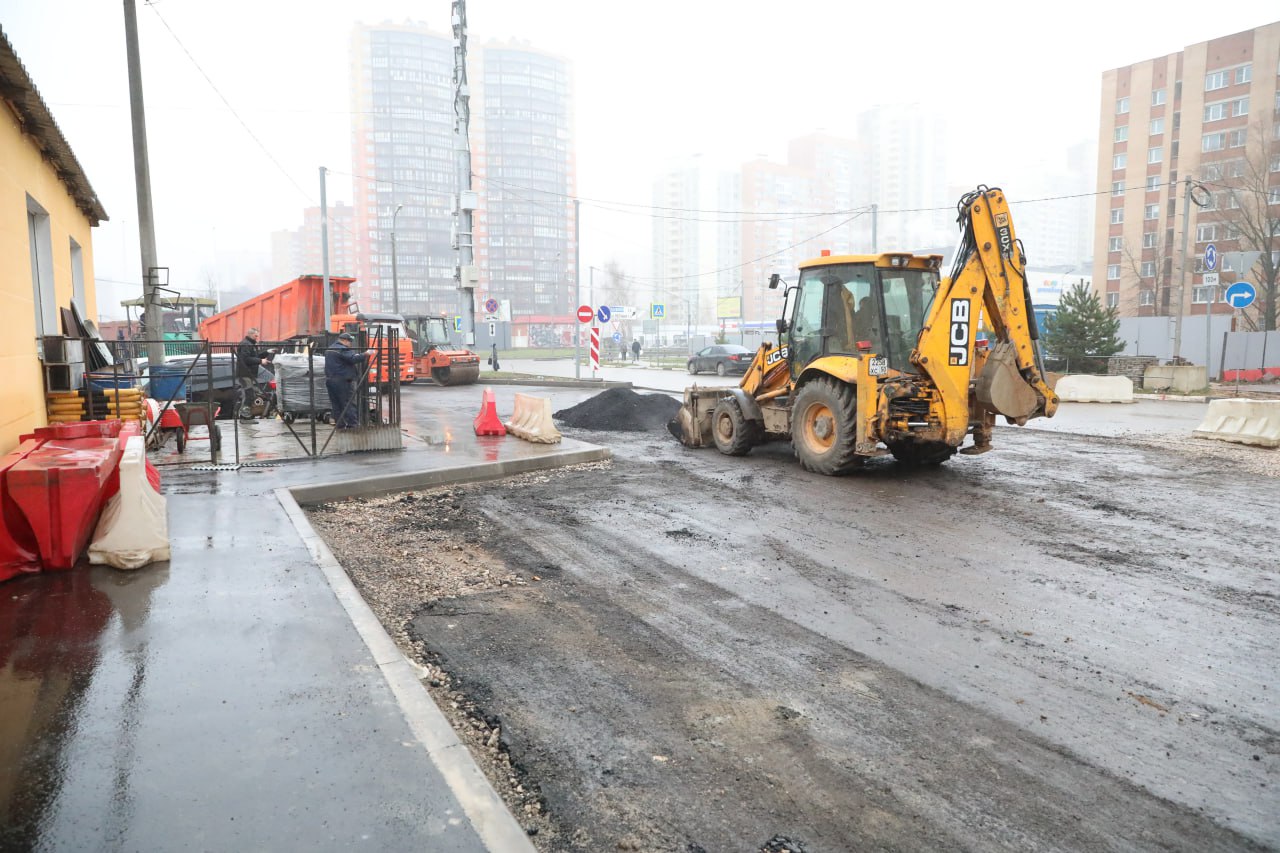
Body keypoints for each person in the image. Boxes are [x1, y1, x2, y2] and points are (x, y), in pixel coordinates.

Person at [325, 332, 373, 428]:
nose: (350, 344)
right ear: (344, 341)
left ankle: (340, 425)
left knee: (336, 404)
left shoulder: (329, 349)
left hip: (330, 380)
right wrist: (366, 354)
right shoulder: (342, 349)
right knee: (348, 403)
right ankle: (353, 426)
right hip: (342, 381)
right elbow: (353, 358)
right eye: (349, 341)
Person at [235, 328, 273, 419]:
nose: (257, 338)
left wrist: (266, 352)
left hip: (248, 373)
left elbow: (254, 357)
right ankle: (244, 413)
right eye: (256, 336)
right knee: (249, 394)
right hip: (245, 374)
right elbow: (246, 359)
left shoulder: (249, 344)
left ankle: (245, 414)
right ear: (250, 334)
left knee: (249, 394)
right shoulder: (246, 344)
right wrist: (260, 361)